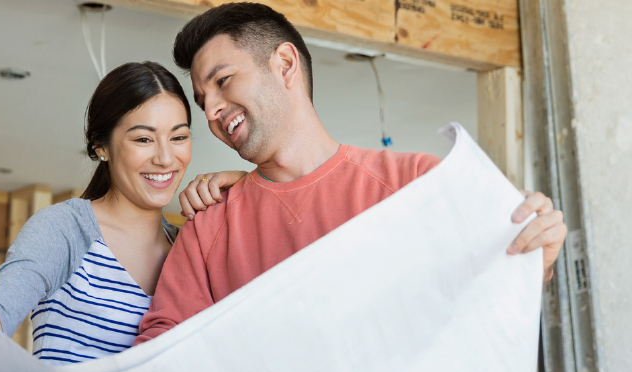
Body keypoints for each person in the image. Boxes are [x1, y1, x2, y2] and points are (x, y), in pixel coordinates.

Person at [135, 3, 568, 344]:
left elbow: (498, 276)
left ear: (284, 65)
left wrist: (537, 249)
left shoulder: (417, 182)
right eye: (202, 98)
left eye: (223, 80)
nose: (209, 111)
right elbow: (157, 357)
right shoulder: (209, 225)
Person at [0, 61, 245, 372]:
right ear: (101, 147)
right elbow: (7, 297)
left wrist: (247, 186)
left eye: (178, 137)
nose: (165, 158)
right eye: (143, 139)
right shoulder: (65, 228)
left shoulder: (189, 244)